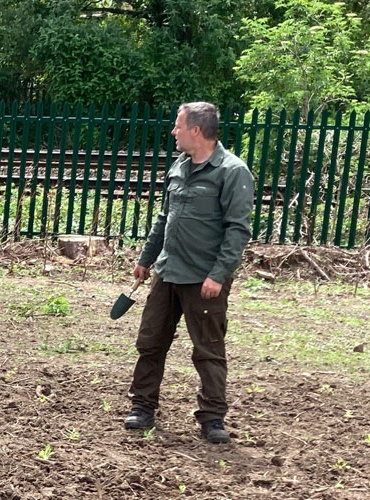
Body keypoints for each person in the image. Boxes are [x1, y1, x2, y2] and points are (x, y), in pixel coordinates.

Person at [123, 101, 254, 444]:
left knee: (208, 350)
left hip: (204, 279)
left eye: (178, 126)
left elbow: (237, 230)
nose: (173, 132)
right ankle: (142, 407)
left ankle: (212, 419)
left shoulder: (232, 171)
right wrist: (146, 258)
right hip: (168, 273)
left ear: (196, 130)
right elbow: (164, 218)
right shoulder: (179, 166)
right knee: (150, 343)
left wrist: (219, 274)